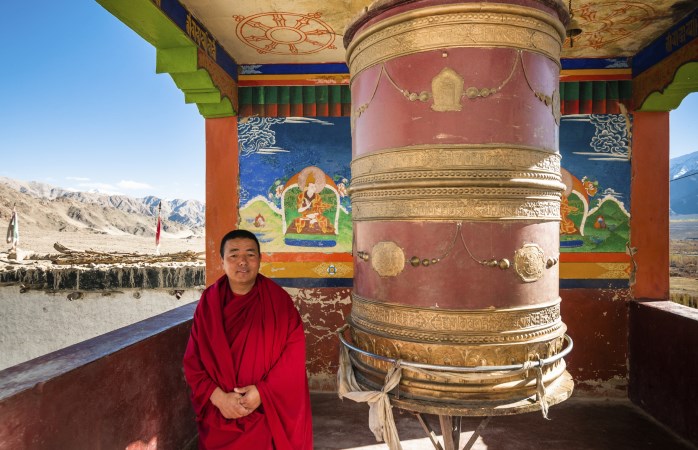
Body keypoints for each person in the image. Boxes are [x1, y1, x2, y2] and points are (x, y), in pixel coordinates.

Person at [183, 229, 313, 449]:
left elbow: (293, 356)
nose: (242, 261)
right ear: (222, 261)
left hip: (265, 411)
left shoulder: (278, 302)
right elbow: (193, 360)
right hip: (220, 413)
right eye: (233, 255)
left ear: (260, 259)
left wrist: (263, 392)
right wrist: (218, 398)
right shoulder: (209, 303)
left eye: (250, 254)